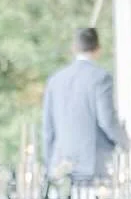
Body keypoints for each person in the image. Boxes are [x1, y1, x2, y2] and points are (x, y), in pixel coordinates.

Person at [42, 26, 126, 185]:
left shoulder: (55, 80)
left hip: (60, 165)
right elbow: (107, 121)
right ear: (98, 49)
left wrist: (49, 165)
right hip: (94, 166)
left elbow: (48, 129)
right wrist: (127, 144)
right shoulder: (101, 78)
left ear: (74, 48)